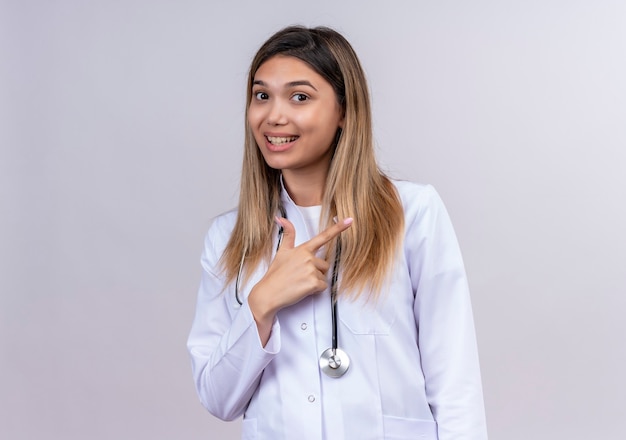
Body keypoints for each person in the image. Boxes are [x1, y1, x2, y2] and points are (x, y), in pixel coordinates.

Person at [187, 25, 488, 440]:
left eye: (300, 97)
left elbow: (456, 384)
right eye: (262, 95)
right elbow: (218, 399)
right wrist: (261, 304)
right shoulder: (228, 239)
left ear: (344, 111)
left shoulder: (413, 214)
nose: (274, 115)